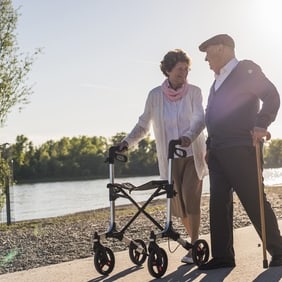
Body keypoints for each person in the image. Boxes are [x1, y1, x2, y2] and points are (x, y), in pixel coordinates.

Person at [198, 33, 282, 270]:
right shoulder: (216, 82)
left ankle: (279, 251)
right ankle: (223, 256)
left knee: (254, 199)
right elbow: (213, 117)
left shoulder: (246, 70)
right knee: (218, 203)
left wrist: (261, 124)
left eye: (208, 52)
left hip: (242, 147)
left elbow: (272, 96)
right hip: (217, 150)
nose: (206, 59)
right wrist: (208, 145)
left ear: (223, 49)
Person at [117, 49, 208, 264]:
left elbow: (200, 119)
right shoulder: (155, 96)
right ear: (167, 70)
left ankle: (194, 246)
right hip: (169, 158)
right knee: (179, 204)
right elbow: (143, 124)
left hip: (192, 153)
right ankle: (193, 243)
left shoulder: (194, 92)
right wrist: (126, 143)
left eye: (186, 69)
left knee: (190, 196)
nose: (184, 73)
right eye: (179, 69)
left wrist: (188, 136)